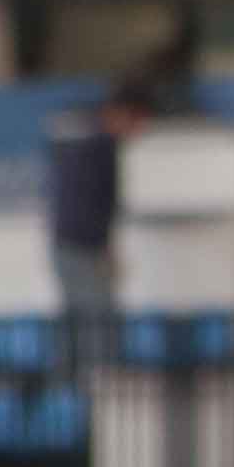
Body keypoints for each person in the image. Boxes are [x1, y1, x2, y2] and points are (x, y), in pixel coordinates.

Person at [43, 79, 142, 329]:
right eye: (136, 121)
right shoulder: (97, 149)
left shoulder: (92, 143)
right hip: (80, 247)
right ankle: (95, 369)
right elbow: (87, 205)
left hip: (71, 243)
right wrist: (101, 251)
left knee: (79, 320)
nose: (137, 130)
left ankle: (79, 368)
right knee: (95, 320)